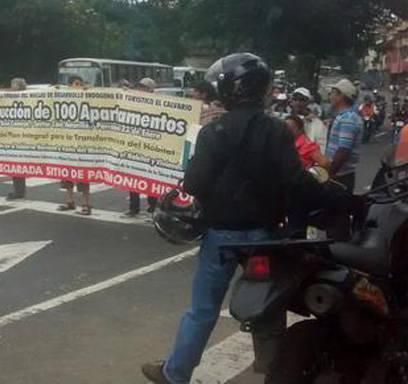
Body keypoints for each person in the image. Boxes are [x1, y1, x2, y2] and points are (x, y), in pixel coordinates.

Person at [141, 53, 351, 384]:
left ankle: (175, 373)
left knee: (202, 310)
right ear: (261, 89)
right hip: (266, 236)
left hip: (220, 238)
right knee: (268, 308)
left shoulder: (214, 132)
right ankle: (276, 373)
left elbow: (193, 184)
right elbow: (296, 182)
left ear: (229, 89)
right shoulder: (277, 131)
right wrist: (338, 197)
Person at [123, 78, 159, 217]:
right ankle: (134, 207)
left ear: (151, 89)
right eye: (139, 87)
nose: (141, 89)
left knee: (151, 179)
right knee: (133, 178)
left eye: (144, 87)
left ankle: (153, 206)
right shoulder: (134, 101)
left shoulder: (158, 104)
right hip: (135, 146)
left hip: (150, 147)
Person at [58, 75, 92, 215]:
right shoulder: (64, 99)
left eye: (80, 84)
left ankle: (86, 204)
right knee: (66, 175)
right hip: (67, 143)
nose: (78, 86)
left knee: (83, 176)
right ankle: (70, 202)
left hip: (81, 143)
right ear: (70, 85)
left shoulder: (87, 98)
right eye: (76, 84)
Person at [326, 79, 364, 192]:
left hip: (340, 177)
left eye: (332, 92)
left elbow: (343, 150)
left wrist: (330, 173)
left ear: (340, 96)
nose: (330, 96)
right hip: (341, 175)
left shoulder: (348, 118)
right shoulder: (346, 116)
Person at [6, 77, 29, 200]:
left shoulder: (26, 100)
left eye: (13, 86)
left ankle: (19, 191)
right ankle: (18, 190)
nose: (11, 88)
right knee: (14, 165)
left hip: (22, 137)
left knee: (18, 165)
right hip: (13, 136)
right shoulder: (9, 100)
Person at [290, 87, 328, 154]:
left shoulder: (317, 123)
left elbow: (321, 149)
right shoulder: (286, 121)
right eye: (295, 99)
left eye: (302, 100)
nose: (298, 102)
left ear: (308, 102)